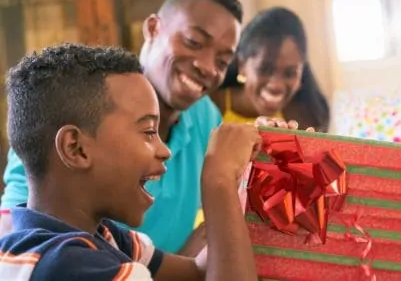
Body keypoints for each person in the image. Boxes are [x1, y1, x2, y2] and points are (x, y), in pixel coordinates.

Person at [0, 0, 243, 255]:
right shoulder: (76, 105)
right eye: (194, 42)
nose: (207, 67)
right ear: (153, 28)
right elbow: (17, 236)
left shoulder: (206, 118)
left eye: (222, 62)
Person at [0, 43, 259, 281]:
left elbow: (199, 271)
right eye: (148, 132)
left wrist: (248, 181)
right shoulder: (67, 266)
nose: (164, 151)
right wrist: (218, 179)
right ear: (75, 148)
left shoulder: (98, 236)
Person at [211, 7, 330, 132]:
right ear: (242, 66)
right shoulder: (211, 107)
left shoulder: (305, 116)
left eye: (290, 73)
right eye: (264, 69)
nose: (276, 85)